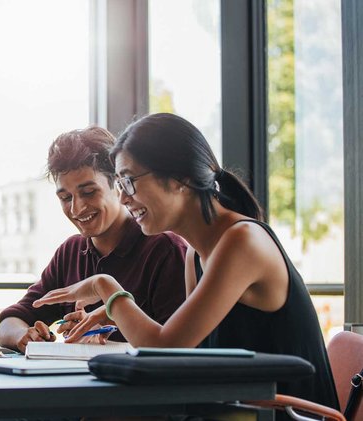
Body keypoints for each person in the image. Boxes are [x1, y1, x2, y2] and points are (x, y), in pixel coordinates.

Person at [33, 113, 338, 409]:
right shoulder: (196, 253)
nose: (124, 198)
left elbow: (165, 349)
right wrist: (113, 316)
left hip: (284, 414)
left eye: (129, 181)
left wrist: (106, 288)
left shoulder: (242, 241)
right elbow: (186, 355)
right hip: (239, 409)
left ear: (179, 179)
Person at [0, 126, 188, 353]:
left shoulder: (165, 249)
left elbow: (176, 348)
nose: (76, 208)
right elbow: (9, 323)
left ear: (119, 185)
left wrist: (109, 331)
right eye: (66, 198)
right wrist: (23, 335)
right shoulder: (71, 252)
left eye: (88, 192)